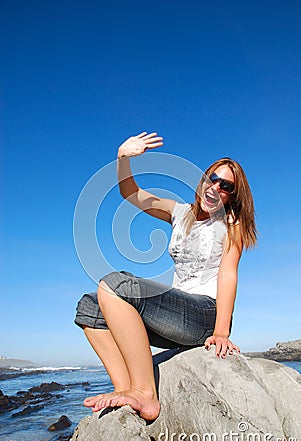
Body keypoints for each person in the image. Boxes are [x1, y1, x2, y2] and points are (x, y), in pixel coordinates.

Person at [74, 131, 257, 421]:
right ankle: (126, 390)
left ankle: (146, 394)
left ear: (233, 196)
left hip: (203, 314)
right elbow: (130, 193)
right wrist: (123, 158)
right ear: (202, 180)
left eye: (226, 186)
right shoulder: (179, 212)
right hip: (175, 318)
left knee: (114, 285)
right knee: (89, 308)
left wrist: (222, 332)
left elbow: (227, 275)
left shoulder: (230, 223)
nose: (216, 188)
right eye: (212, 179)